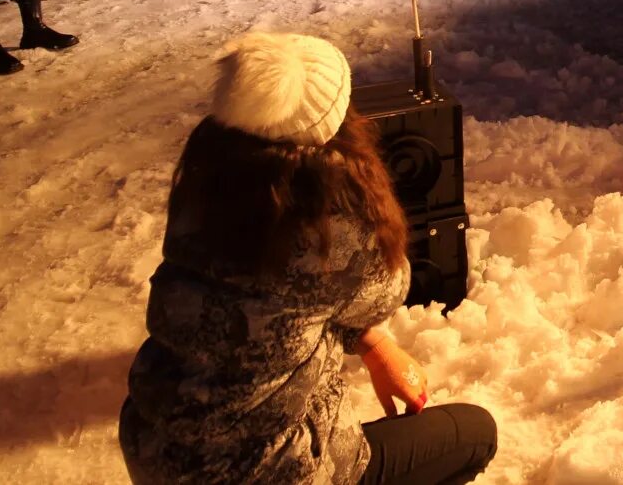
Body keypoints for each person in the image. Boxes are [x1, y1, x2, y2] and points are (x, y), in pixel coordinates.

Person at [121, 33, 498, 485]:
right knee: (475, 433)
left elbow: (286, 305)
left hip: (155, 447)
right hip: (264, 473)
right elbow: (384, 292)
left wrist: (375, 346)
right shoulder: (326, 222)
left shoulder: (204, 187)